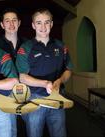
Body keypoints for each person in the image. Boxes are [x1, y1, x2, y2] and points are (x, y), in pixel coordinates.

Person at [16, 8, 73, 137]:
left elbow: (68, 70)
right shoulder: (26, 48)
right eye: (39, 22)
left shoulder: (61, 46)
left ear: (51, 24)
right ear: (33, 25)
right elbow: (22, 77)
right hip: (34, 99)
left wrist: (60, 81)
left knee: (59, 133)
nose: (43, 26)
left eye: (47, 22)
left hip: (57, 98)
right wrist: (45, 83)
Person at [0, 8, 28, 137]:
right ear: (2, 25)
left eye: (14, 20)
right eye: (7, 21)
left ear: (19, 23)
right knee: (10, 130)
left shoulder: (28, 43)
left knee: (28, 127)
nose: (11, 24)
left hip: (27, 93)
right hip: (5, 94)